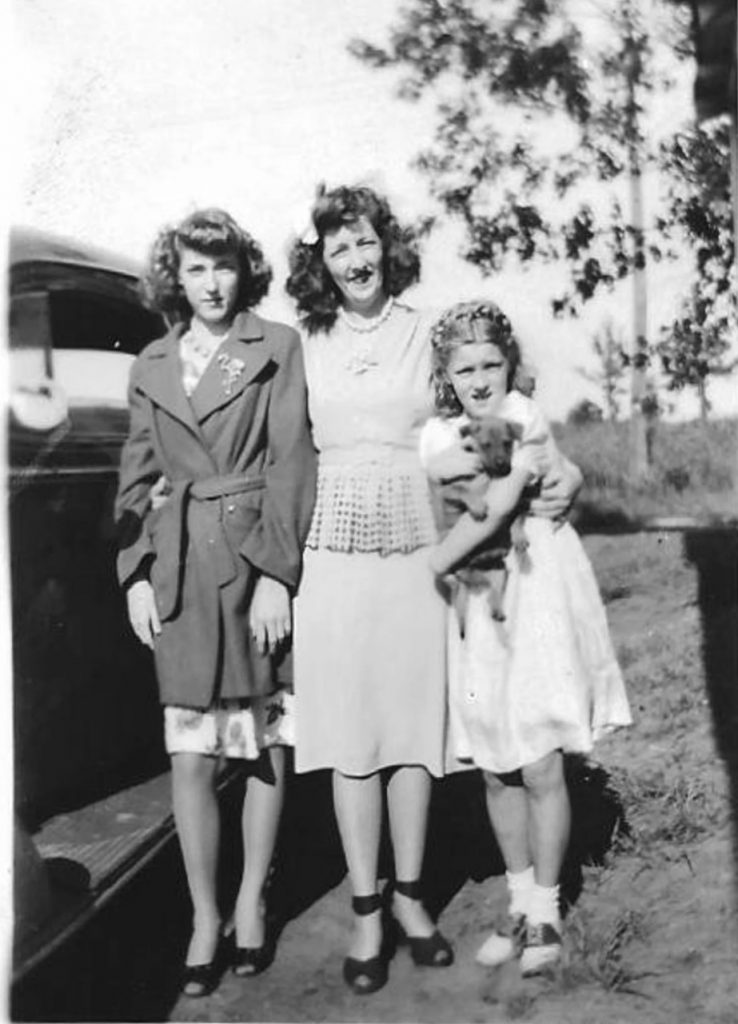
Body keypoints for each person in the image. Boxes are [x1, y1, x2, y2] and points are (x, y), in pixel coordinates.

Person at [284, 186, 582, 995]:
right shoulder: (300, 341)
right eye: (338, 247)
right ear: (321, 260)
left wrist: (565, 476)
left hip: (425, 543)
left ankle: (415, 900)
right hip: (333, 547)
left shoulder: (427, 331)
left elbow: (502, 425)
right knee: (349, 730)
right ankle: (368, 908)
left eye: (367, 242)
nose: (356, 260)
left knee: (414, 724)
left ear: (389, 247)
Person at [115, 209, 316, 997]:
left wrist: (276, 573)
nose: (211, 283)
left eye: (223, 266)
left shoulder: (276, 348)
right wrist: (135, 572)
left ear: (244, 270)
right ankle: (205, 915)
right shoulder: (153, 362)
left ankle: (251, 897)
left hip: (249, 556)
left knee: (262, 743)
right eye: (196, 269)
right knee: (191, 754)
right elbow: (133, 484)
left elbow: (293, 459)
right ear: (177, 276)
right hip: (179, 573)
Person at [420, 300, 632, 976]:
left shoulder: (522, 416)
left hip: (533, 582)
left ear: (511, 365)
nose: (480, 378)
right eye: (465, 368)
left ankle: (545, 907)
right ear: (446, 376)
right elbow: (447, 477)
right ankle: (515, 898)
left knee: (538, 754)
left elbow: (508, 494)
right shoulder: (442, 431)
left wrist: (436, 558)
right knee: (494, 759)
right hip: (481, 599)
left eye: (491, 363)